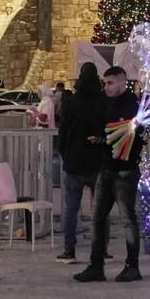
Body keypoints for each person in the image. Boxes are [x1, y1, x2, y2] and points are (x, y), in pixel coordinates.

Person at [77, 65, 142, 283]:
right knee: (97, 219)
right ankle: (96, 266)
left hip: (124, 171)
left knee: (127, 220)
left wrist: (106, 139)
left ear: (123, 82)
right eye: (105, 83)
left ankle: (132, 266)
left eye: (111, 83)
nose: (107, 87)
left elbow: (128, 137)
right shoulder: (106, 102)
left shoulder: (132, 106)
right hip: (106, 169)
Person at [55, 62, 106, 264]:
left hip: (74, 162)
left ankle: (69, 250)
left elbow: (63, 133)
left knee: (71, 209)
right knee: (101, 210)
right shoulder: (103, 101)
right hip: (97, 162)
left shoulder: (71, 102)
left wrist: (65, 154)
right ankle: (101, 249)